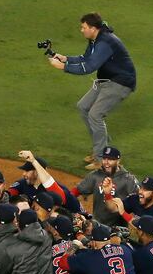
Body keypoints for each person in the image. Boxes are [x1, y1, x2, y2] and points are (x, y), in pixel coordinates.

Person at [48, 12, 137, 170]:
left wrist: (63, 67)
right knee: (83, 106)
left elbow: (89, 67)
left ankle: (103, 158)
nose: (81, 30)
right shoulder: (95, 38)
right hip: (106, 81)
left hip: (120, 82)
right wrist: (66, 59)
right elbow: (86, 58)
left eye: (84, 27)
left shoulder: (105, 42)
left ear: (93, 28)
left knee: (95, 114)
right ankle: (101, 150)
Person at [72, 147, 138, 225]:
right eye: (104, 158)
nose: (106, 162)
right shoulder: (95, 175)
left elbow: (139, 202)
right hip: (97, 226)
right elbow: (76, 191)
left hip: (119, 228)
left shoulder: (128, 179)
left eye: (110, 159)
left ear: (118, 161)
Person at [10, 151, 83, 213]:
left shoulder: (57, 190)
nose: (24, 174)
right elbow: (10, 194)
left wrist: (33, 161)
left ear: (37, 172)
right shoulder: (22, 183)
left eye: (27, 171)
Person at [104, 176, 153, 240]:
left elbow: (143, 232)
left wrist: (123, 213)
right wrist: (107, 194)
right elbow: (113, 209)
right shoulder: (135, 199)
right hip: (144, 243)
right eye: (141, 188)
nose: (140, 191)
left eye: (145, 190)